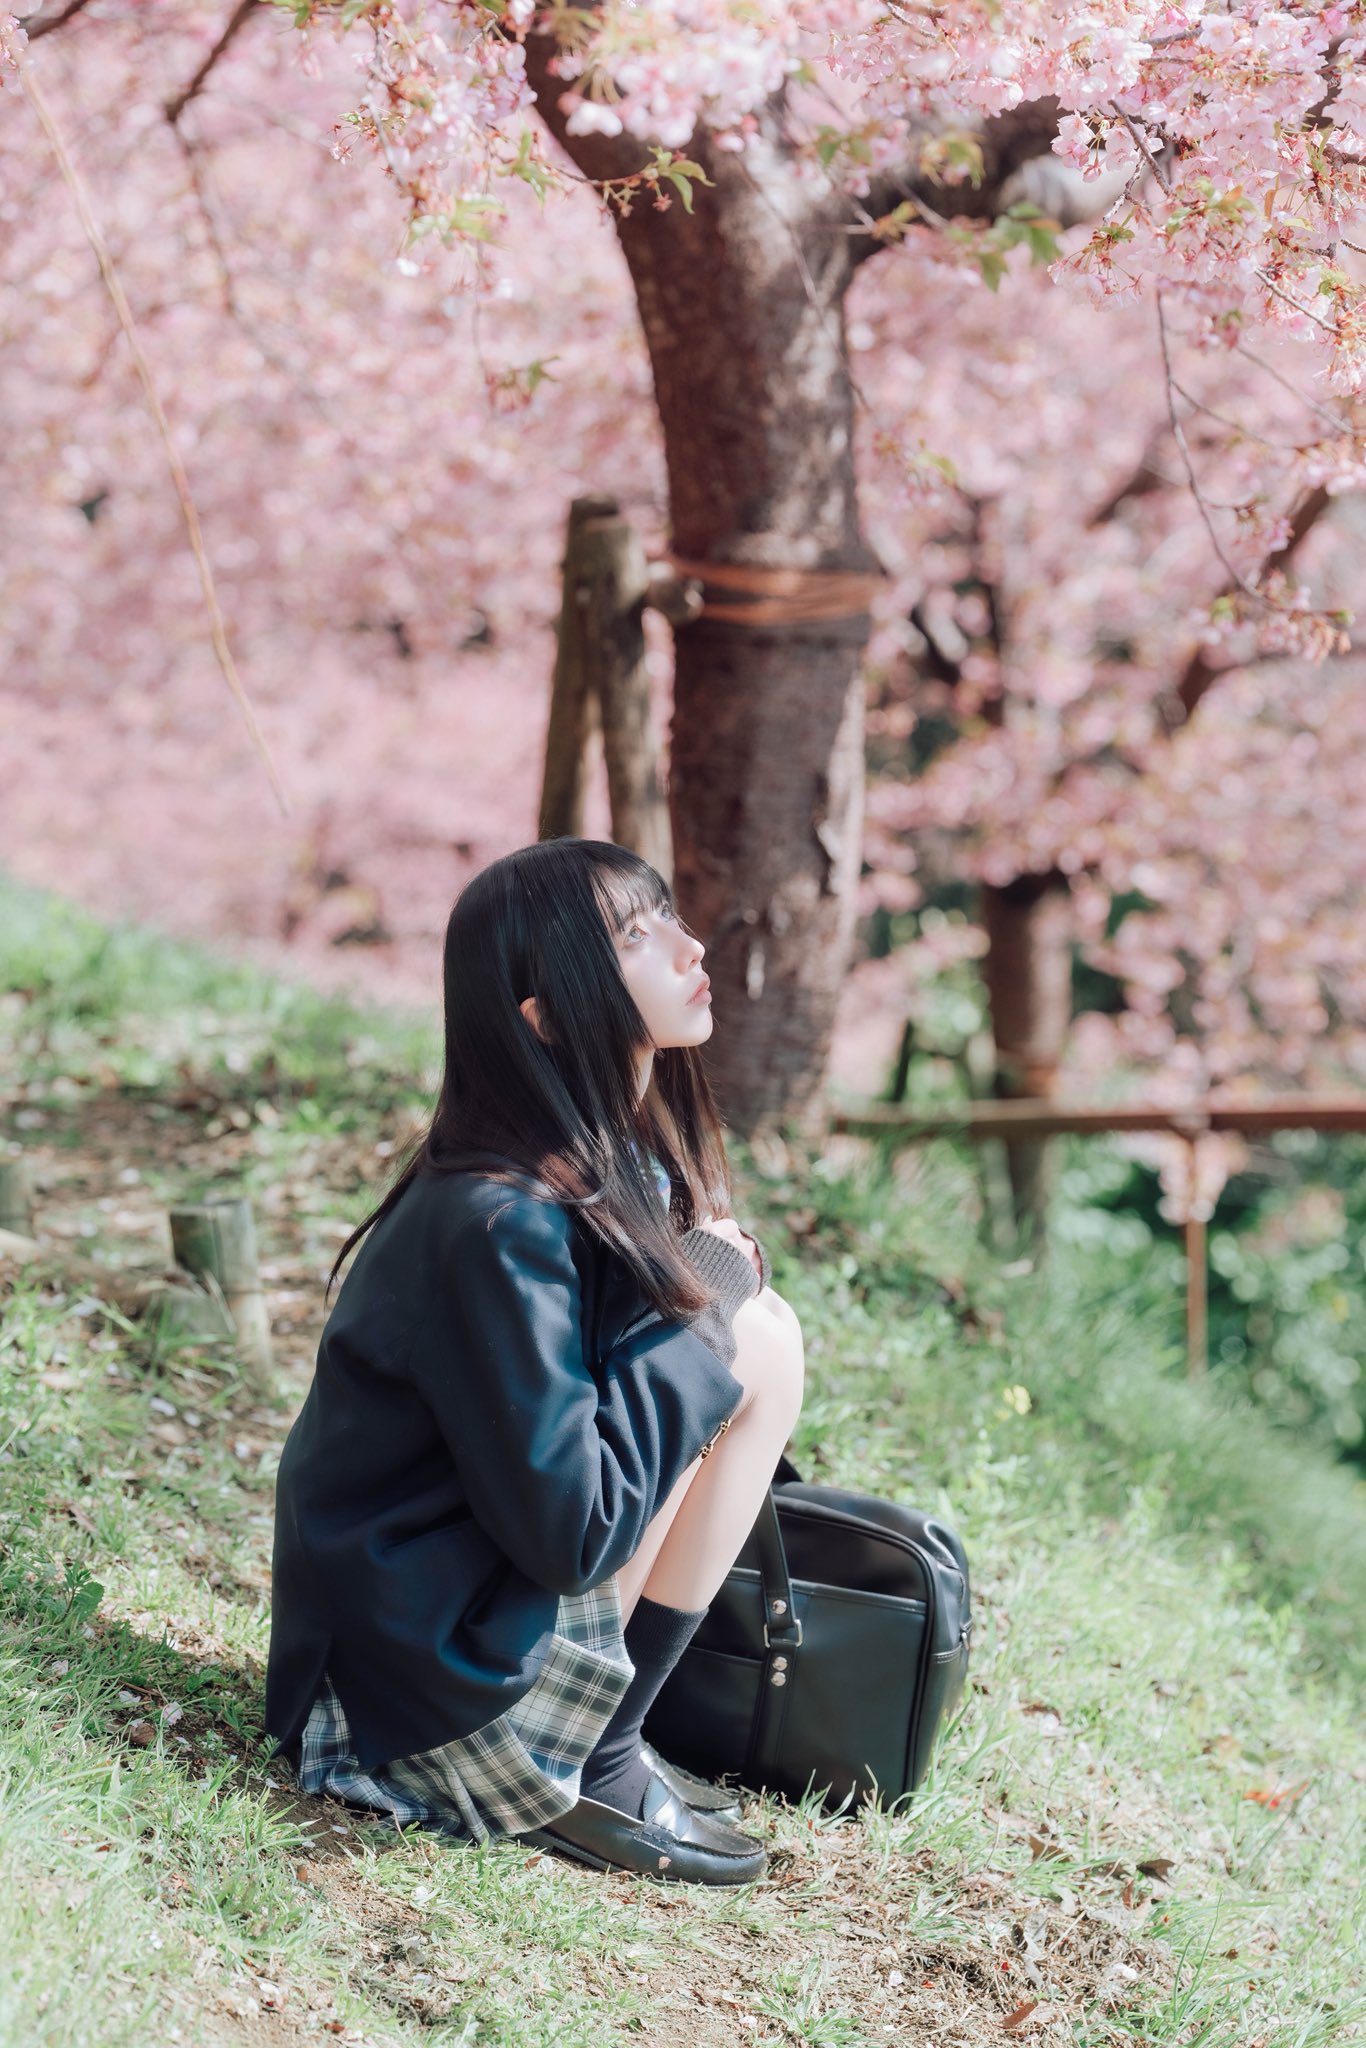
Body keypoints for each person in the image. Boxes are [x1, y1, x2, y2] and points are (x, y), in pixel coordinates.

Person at [265, 838, 805, 1885]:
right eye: (638, 936)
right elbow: (575, 1528)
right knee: (735, 1331)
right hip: (404, 1700)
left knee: (758, 1334)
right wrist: (700, 1302)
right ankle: (588, 1758)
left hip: (452, 1626)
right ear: (546, 1015)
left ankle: (605, 1744)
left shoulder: (599, 1167)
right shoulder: (496, 1217)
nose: (690, 946)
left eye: (667, 916)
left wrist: (704, 1297)